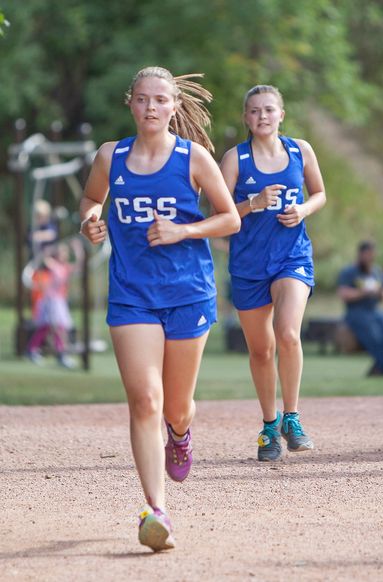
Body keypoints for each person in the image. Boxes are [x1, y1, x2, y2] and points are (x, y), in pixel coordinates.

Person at [79, 66, 240, 552]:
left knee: (176, 406)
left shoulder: (194, 159)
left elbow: (230, 218)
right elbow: (90, 200)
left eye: (161, 100)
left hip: (188, 292)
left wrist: (184, 230)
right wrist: (89, 220)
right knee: (144, 400)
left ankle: (182, 433)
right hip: (132, 294)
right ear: (131, 102)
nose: (151, 107)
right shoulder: (112, 156)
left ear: (174, 107)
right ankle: (156, 510)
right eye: (143, 99)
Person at [220, 84, 326, 462]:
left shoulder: (300, 150)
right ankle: (269, 425)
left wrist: (304, 211)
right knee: (261, 350)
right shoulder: (235, 159)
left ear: (281, 114)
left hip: (291, 257)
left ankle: (292, 418)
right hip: (248, 265)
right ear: (246, 118)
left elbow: (319, 194)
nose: (262, 116)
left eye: (268, 109)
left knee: (287, 334)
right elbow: (217, 216)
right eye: (254, 111)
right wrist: (252, 203)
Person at [337, 241, 383, 376]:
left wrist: (380, 292)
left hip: (375, 310)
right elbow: (343, 294)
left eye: (372, 255)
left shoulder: (376, 271)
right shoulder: (350, 271)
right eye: (367, 254)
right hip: (357, 312)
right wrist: (363, 292)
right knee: (374, 337)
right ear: (360, 254)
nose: (370, 258)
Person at [26, 240, 82, 368]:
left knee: (48, 327)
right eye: (62, 252)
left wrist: (78, 251)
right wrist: (48, 251)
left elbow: (79, 266)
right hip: (50, 301)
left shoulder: (65, 267)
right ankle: (60, 354)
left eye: (65, 252)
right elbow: (43, 258)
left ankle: (32, 350)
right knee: (58, 327)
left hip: (57, 301)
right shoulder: (54, 265)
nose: (64, 254)